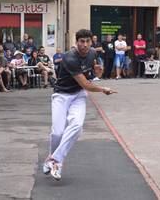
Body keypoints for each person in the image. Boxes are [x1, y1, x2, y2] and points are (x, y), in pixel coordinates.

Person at [42, 29, 116, 181]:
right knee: (57, 132)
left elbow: (93, 75)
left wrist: (98, 72)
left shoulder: (93, 53)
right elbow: (87, 84)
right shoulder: (69, 58)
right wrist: (103, 89)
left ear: (91, 42)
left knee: (77, 126)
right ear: (76, 43)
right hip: (61, 95)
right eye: (81, 42)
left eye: (88, 41)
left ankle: (55, 161)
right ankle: (53, 158)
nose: (85, 45)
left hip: (78, 95)